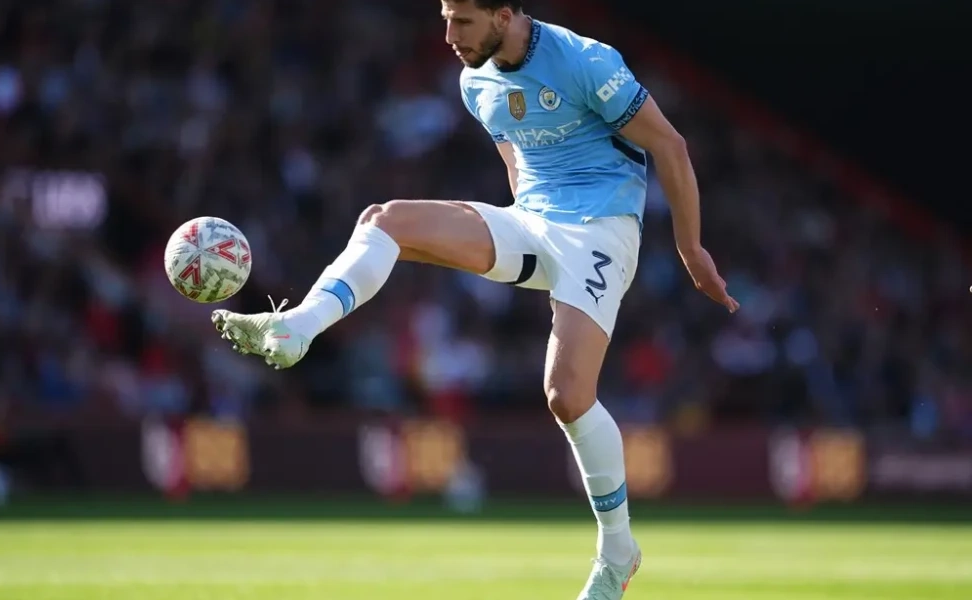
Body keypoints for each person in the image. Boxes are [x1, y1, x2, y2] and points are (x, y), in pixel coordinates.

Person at [211, 1, 739, 597]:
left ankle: (618, 551)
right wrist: (518, 243)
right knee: (385, 220)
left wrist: (691, 250)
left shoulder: (586, 61)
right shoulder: (474, 83)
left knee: (566, 396)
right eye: (445, 17)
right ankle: (298, 327)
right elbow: (517, 167)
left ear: (505, 14)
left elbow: (670, 146)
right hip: (534, 221)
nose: (449, 35)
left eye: (463, 21)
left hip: (601, 229)